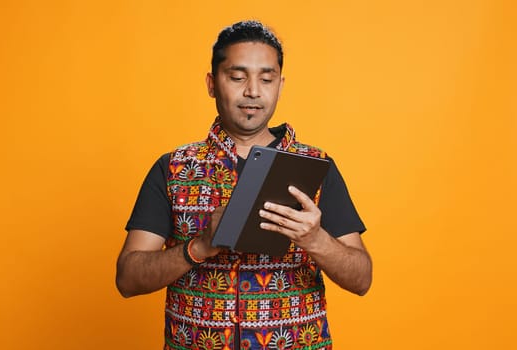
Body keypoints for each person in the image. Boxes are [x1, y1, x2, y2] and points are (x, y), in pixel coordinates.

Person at [116, 20, 372, 350]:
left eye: (266, 79)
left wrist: (315, 239)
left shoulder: (316, 167)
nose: (253, 90)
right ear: (212, 83)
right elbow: (128, 278)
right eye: (237, 77)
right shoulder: (173, 168)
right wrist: (200, 246)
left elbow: (362, 279)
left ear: (280, 85)